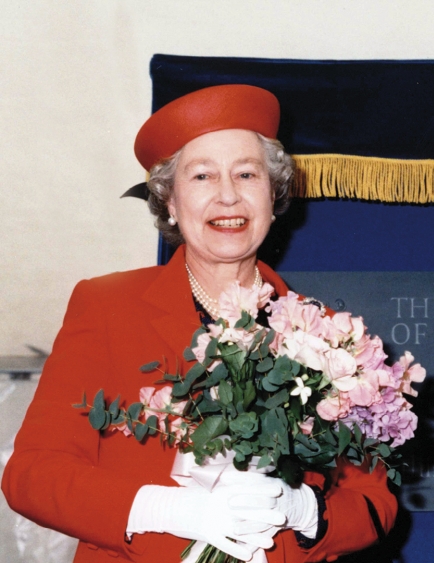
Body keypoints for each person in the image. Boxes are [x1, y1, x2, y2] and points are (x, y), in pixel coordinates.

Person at [2, 84, 397, 562]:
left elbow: (375, 502)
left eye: (247, 175)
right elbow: (32, 475)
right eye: (203, 176)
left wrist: (307, 512)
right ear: (170, 201)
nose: (228, 197)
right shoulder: (107, 306)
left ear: (273, 196)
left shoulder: (330, 337)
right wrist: (165, 509)